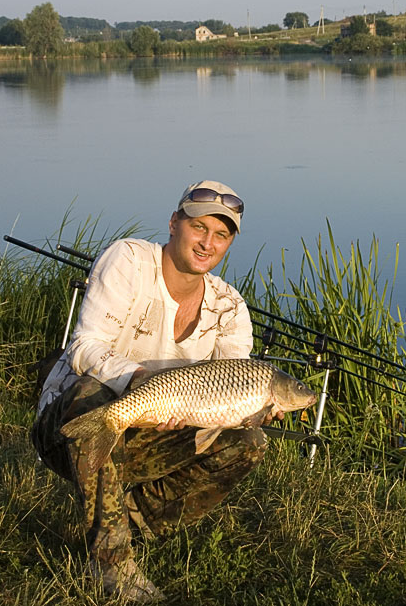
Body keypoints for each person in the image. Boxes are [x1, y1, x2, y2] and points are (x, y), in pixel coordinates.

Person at [31, 180, 271, 603]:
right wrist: (142, 381)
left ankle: (121, 524)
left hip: (155, 436)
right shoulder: (129, 260)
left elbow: (237, 378)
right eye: (199, 228)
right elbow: (84, 347)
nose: (207, 243)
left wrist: (255, 410)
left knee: (249, 441)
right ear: (175, 223)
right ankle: (112, 564)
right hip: (70, 427)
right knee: (94, 391)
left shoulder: (230, 309)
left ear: (229, 243)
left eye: (221, 235)